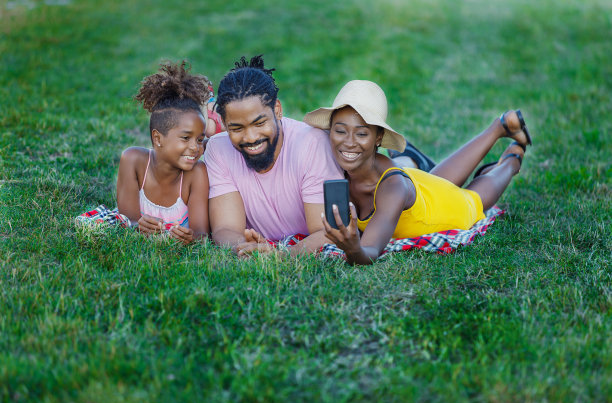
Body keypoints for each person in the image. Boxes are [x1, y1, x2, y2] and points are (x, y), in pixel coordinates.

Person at [304, 80, 531, 264]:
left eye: (362, 134)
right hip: (419, 184)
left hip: (446, 209)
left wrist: (354, 249)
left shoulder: (392, 189)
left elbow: (370, 250)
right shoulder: (337, 169)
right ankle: (499, 126)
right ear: (330, 131)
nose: (349, 143)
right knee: (434, 180)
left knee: (472, 199)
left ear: (379, 138)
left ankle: (512, 159)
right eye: (340, 131)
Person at [204, 55, 347, 257]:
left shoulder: (312, 143)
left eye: (259, 123)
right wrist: (245, 248)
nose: (251, 137)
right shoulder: (218, 149)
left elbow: (330, 232)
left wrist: (279, 256)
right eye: (236, 128)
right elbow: (225, 229)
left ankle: (405, 158)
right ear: (225, 124)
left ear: (277, 110)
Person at [116, 61, 211, 243]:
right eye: (185, 138)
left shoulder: (197, 173)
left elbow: (201, 234)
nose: (195, 147)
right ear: (158, 138)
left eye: (200, 139)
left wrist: (191, 238)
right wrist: (138, 226)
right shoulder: (133, 160)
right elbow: (127, 221)